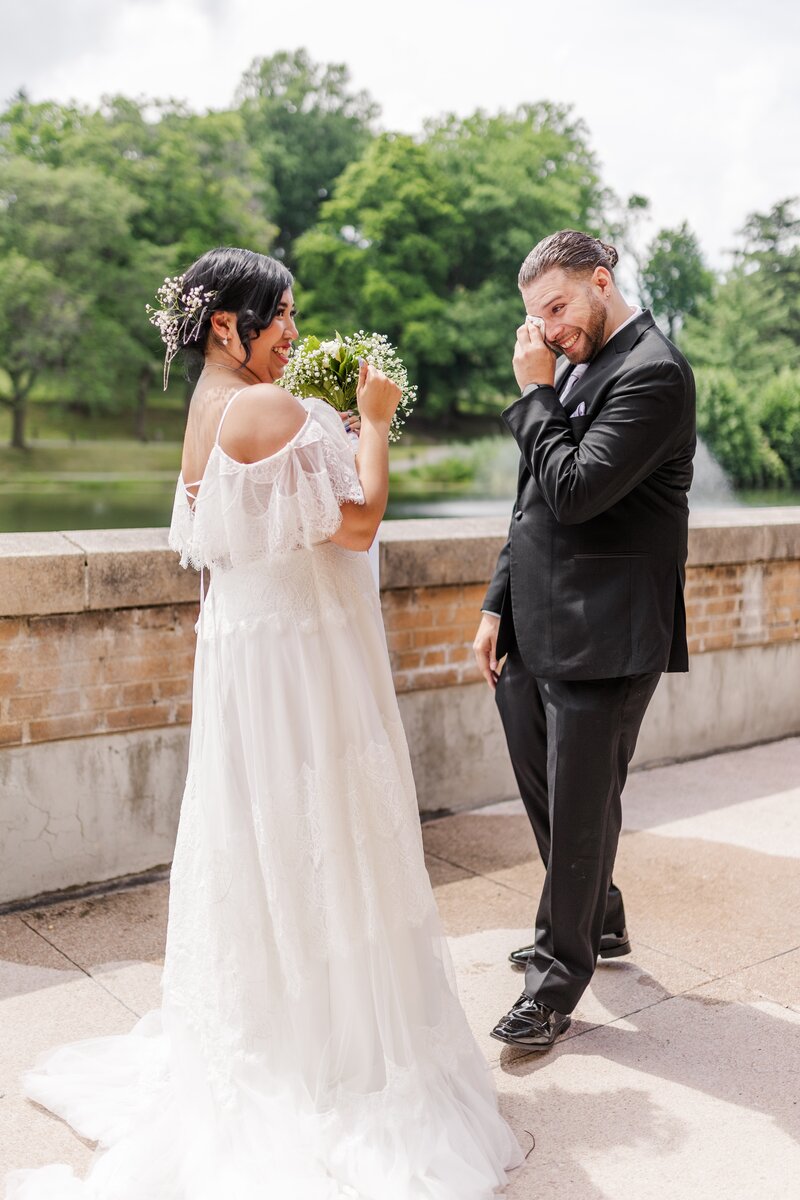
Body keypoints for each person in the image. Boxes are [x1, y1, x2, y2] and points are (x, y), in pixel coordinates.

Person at [6, 248, 520, 1199]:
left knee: (270, 850)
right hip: (299, 673)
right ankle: (338, 1057)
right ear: (224, 326)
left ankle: (282, 1027)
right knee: (328, 844)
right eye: (281, 315)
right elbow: (359, 523)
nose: (293, 331)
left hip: (252, 668)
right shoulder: (263, 411)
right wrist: (372, 421)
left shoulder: (203, 417)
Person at [473, 230, 696, 1051]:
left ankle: (555, 982)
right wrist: (497, 602)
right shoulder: (575, 366)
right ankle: (599, 918)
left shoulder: (654, 374)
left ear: (601, 282)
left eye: (559, 309)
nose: (548, 330)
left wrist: (534, 393)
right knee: (551, 790)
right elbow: (531, 501)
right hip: (534, 619)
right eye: (536, 318)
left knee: (575, 811)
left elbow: (575, 489)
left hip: (607, 630)